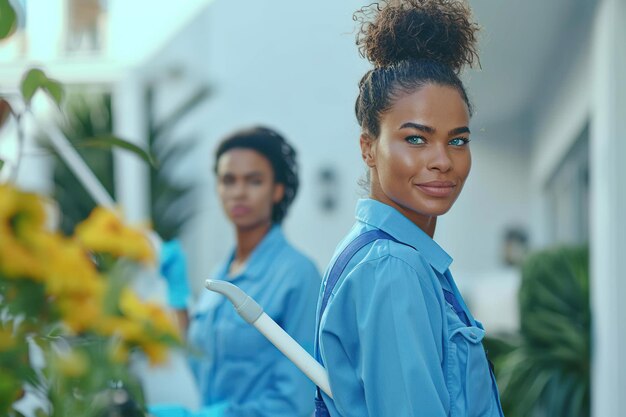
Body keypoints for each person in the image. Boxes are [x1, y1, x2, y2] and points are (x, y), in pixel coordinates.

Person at [314, 1, 505, 416]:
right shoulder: (392, 267)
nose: (442, 160)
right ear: (368, 147)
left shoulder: (392, 255)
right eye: (416, 139)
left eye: (457, 140)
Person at [184, 126, 321, 417]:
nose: (239, 192)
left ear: (277, 190)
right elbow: (201, 361)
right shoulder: (221, 274)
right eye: (228, 180)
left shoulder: (298, 275)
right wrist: (175, 299)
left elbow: (296, 401)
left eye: (254, 181)